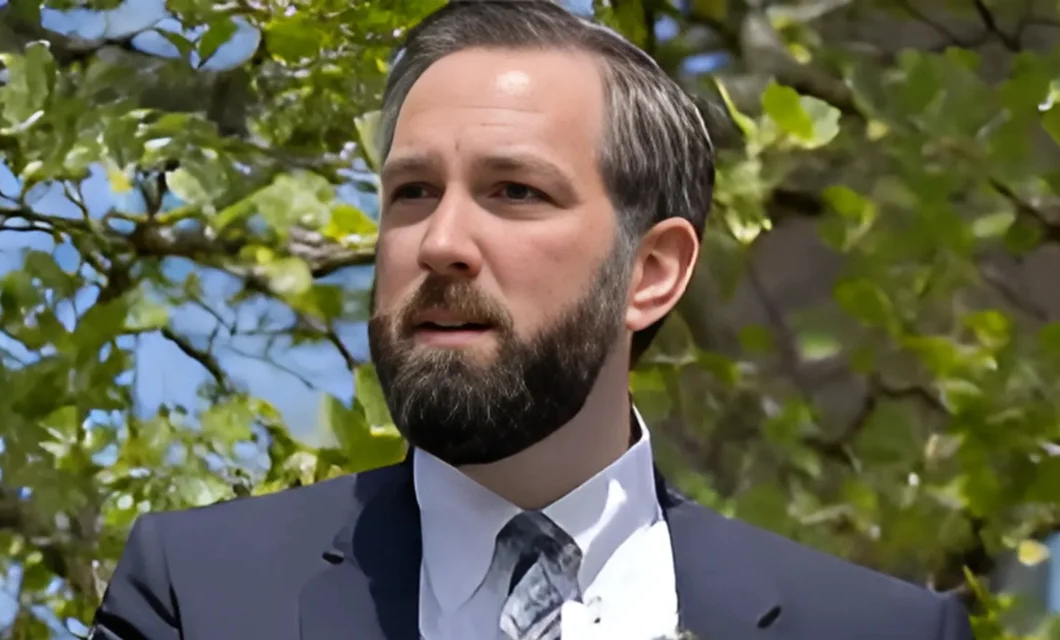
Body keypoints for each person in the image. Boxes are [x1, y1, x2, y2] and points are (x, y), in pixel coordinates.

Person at [90, 2, 975, 639]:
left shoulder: (876, 628)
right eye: (412, 192)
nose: (441, 242)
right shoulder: (201, 596)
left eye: (514, 191)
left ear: (651, 272)